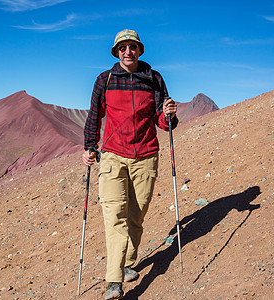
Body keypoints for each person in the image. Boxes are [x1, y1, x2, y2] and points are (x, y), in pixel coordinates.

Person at [82, 29, 178, 300]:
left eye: (132, 47)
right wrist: (89, 147)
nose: (127, 51)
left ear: (140, 50)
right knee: (115, 219)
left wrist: (169, 116)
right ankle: (114, 282)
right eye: (122, 47)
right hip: (113, 156)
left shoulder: (154, 79)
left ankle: (126, 263)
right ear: (116, 51)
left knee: (136, 216)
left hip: (146, 156)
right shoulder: (106, 80)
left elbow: (162, 121)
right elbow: (94, 116)